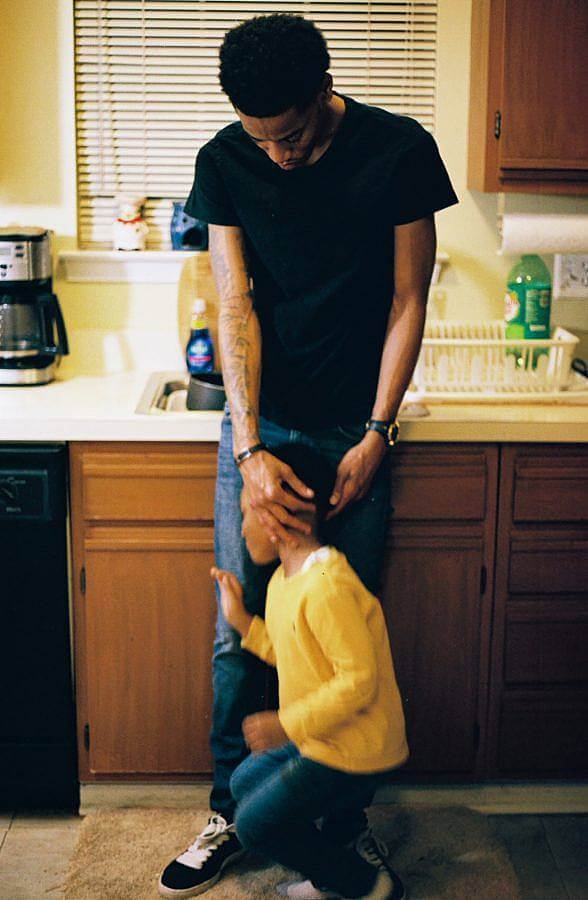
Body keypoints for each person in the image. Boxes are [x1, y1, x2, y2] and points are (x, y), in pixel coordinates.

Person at [158, 11, 458, 897]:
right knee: (239, 630)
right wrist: (248, 446)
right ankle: (230, 811)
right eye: (262, 139)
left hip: (353, 430)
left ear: (325, 91)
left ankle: (341, 820)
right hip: (262, 429)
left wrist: (378, 431)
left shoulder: (397, 150)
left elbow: (410, 300)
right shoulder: (227, 160)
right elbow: (232, 302)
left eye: (289, 135)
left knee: (346, 634)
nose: (277, 154)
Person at [161, 444, 408, 900]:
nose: (239, 528)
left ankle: (364, 885)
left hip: (354, 748)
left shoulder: (328, 587)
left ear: (278, 518)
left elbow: (359, 681)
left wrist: (285, 725)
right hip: (322, 739)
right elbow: (290, 652)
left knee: (255, 826)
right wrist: (240, 622)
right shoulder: (283, 580)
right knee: (241, 784)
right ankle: (329, 862)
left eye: (245, 515)